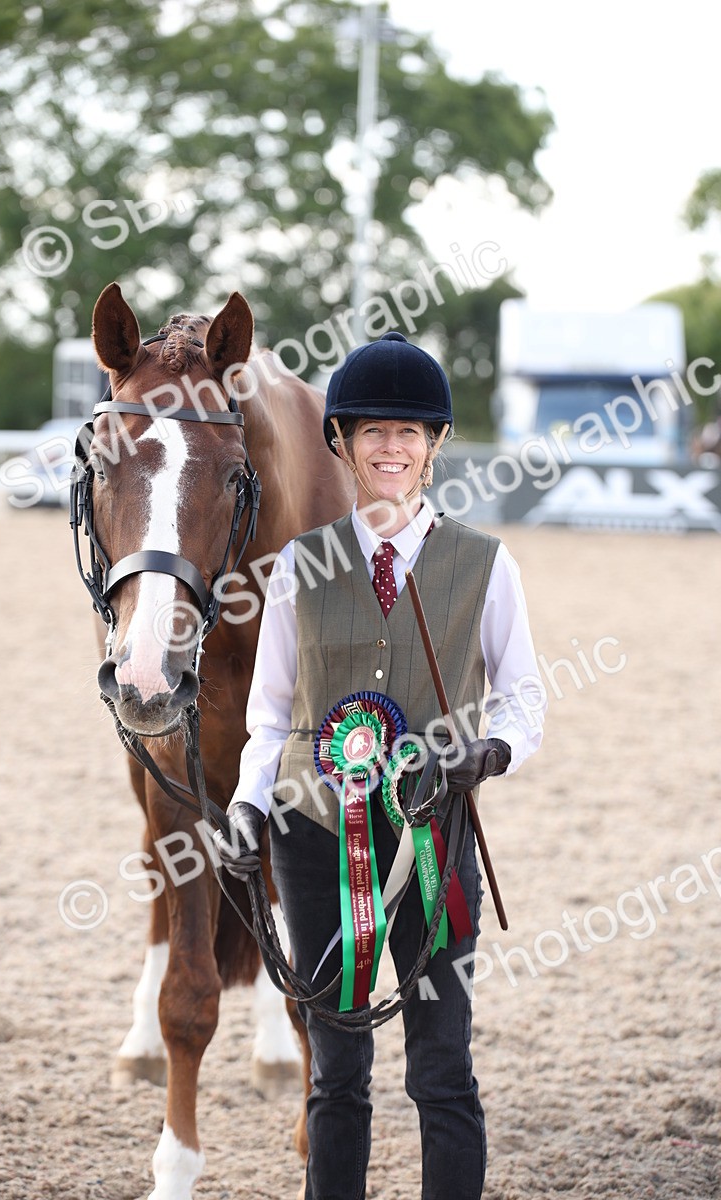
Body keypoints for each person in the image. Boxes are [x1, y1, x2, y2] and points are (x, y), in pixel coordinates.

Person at [216, 330, 547, 1200]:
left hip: (436, 838)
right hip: (312, 834)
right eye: (373, 432)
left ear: (434, 445)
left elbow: (523, 694)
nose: (391, 448)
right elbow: (268, 715)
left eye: (409, 432)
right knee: (337, 1071)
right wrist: (250, 807)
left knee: (442, 1068)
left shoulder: (486, 563)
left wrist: (495, 749)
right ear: (343, 444)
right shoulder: (297, 566)